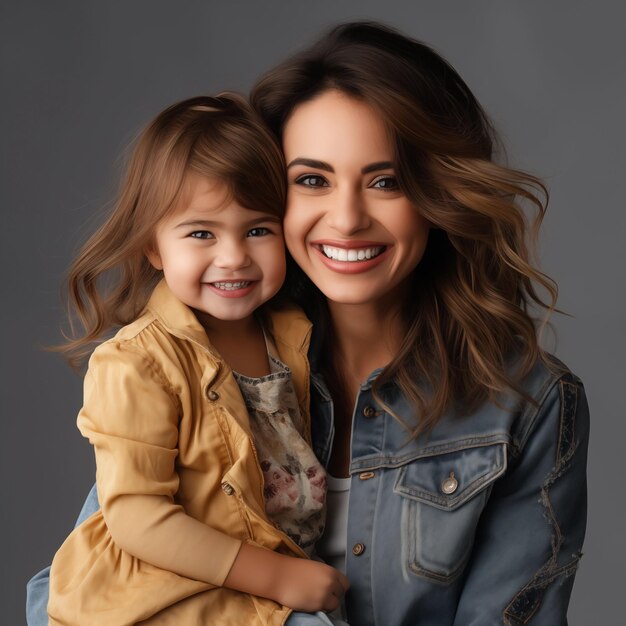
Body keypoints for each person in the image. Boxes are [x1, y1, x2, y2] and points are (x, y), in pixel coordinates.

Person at [28, 21, 589, 626]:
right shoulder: (203, 364)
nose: (346, 219)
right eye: (312, 180)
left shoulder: (529, 406)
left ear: (438, 194)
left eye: (386, 181)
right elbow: (71, 593)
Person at [39, 94, 349, 626]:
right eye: (201, 233)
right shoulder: (137, 363)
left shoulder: (294, 334)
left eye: (257, 230)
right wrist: (278, 578)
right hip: (171, 599)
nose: (233, 256)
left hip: (272, 587)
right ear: (154, 247)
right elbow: (138, 518)